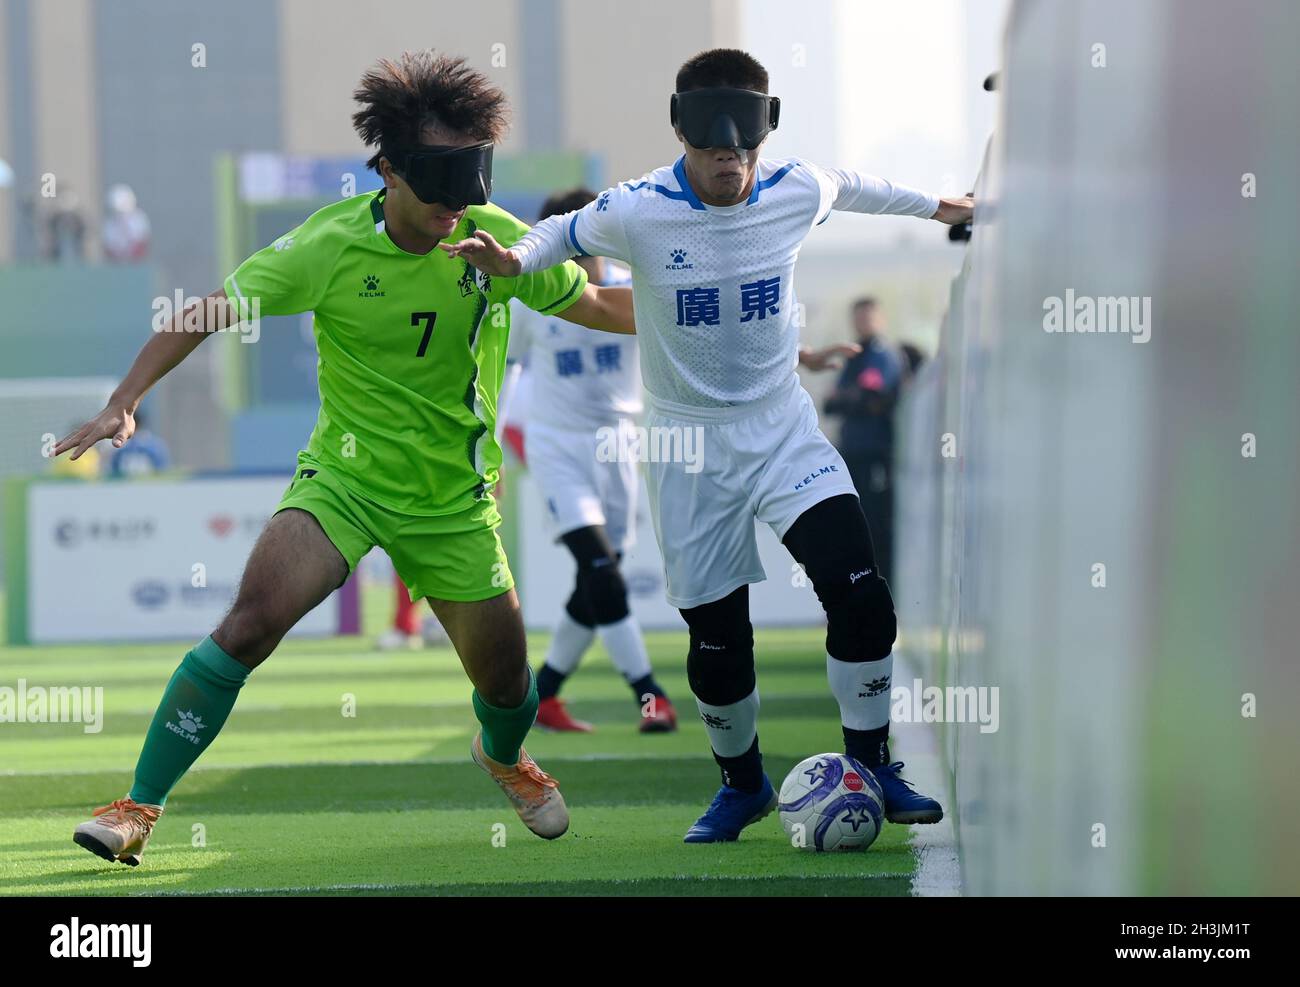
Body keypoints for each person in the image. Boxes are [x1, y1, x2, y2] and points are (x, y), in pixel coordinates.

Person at [55, 50, 635, 866]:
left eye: (468, 186)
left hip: (454, 500)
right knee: (249, 624)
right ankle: (136, 806)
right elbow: (202, 313)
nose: (455, 206)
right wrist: (126, 397)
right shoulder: (325, 246)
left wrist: (716, 312)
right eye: (437, 187)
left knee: (508, 688)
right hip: (345, 481)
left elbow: (603, 304)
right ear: (390, 171)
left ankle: (502, 755)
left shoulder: (492, 236)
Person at [445, 48, 972, 842]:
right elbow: (562, 231)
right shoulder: (639, 209)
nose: (730, 166)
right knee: (719, 636)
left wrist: (946, 207)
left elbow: (864, 187)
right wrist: (513, 258)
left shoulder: (796, 187)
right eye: (713, 152)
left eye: (743, 151)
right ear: (682, 134)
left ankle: (872, 764)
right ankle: (743, 784)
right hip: (686, 446)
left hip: (784, 431)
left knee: (859, 592)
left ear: (765, 132)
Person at [508, 188, 676, 734]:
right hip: (556, 445)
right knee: (602, 570)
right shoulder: (532, 299)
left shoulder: (638, 292)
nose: (576, 254)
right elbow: (500, 368)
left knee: (599, 577)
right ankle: (650, 696)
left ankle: (544, 693)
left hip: (619, 447)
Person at [824, 298, 904, 582]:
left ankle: (885, 590)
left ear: (879, 319)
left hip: (876, 453)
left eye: (868, 317)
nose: (863, 323)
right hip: (852, 454)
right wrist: (852, 398)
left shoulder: (883, 355)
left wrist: (851, 399)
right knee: (853, 522)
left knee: (876, 524)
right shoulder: (854, 358)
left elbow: (874, 397)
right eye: (858, 317)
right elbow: (830, 404)